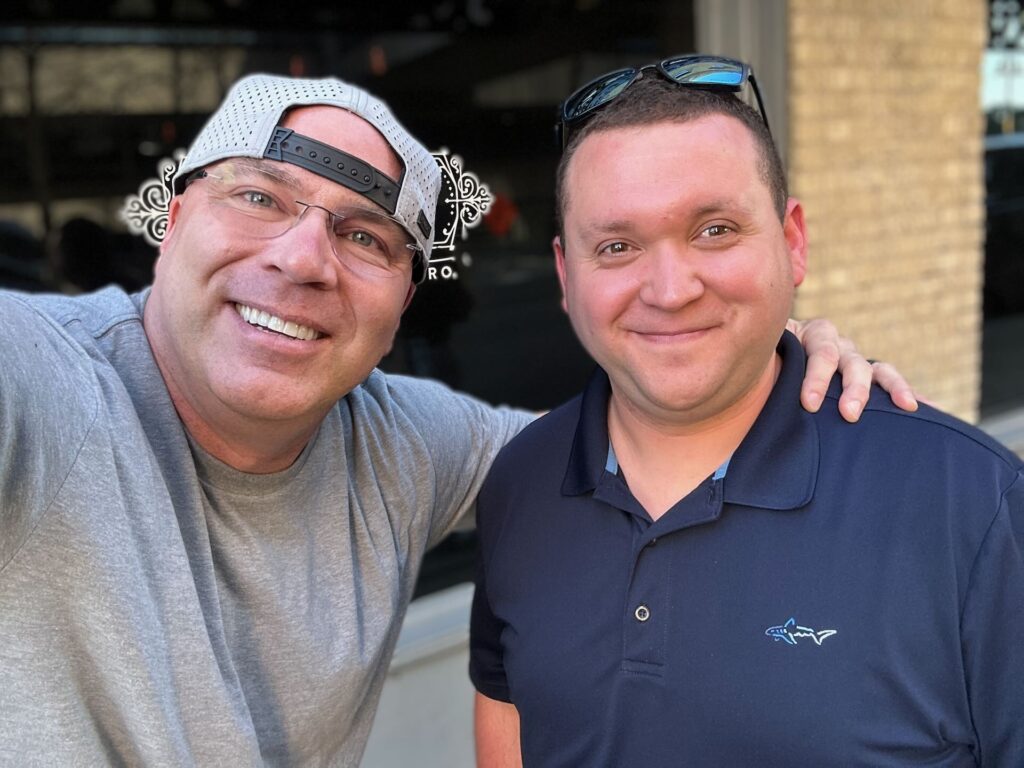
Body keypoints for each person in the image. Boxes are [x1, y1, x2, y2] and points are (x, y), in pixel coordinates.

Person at [0, 73, 909, 766]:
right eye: (259, 198)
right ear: (173, 219)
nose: (303, 257)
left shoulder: (399, 443)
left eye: (364, 236)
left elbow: (637, 444)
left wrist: (757, 352)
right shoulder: (46, 382)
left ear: (402, 303)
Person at [470, 56, 1024, 766]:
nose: (670, 289)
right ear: (565, 274)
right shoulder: (520, 483)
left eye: (715, 230)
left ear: (793, 242)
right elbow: (510, 724)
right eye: (617, 246)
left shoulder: (967, 504)